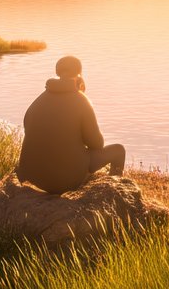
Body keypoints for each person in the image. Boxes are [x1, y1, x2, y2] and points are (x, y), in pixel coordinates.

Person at [15, 56, 126, 194]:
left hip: (33, 178)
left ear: (57, 72)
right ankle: (114, 194)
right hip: (65, 180)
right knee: (118, 151)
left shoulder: (37, 101)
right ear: (79, 74)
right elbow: (97, 144)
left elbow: (29, 129)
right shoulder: (80, 100)